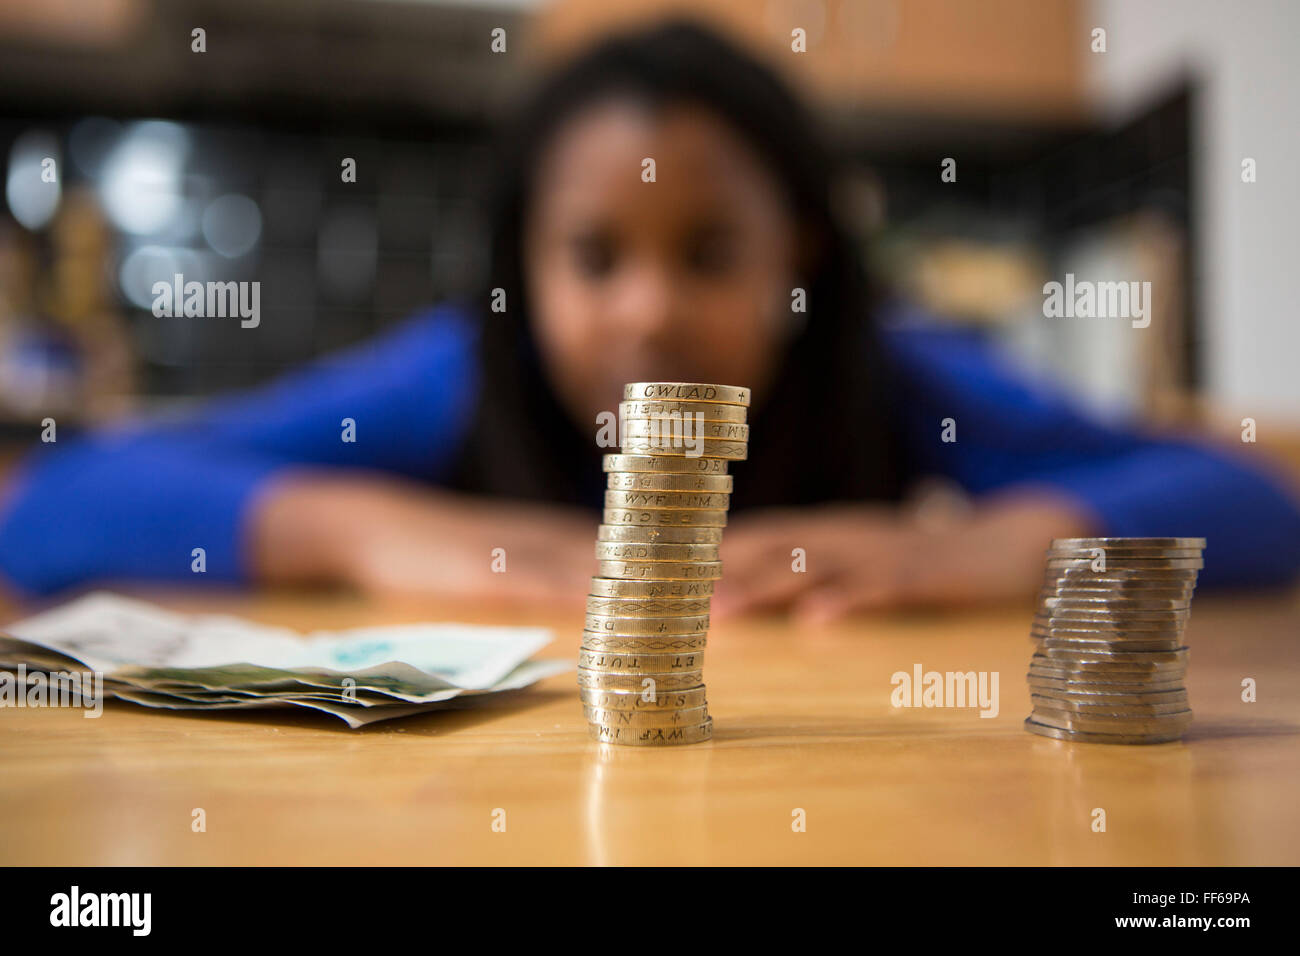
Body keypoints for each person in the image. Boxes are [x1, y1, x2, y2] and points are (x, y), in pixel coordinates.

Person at [1, 22, 1297, 621]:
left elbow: (1249, 499)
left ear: (800, 263)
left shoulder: (896, 378)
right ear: (523, 269)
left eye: (712, 253)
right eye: (592, 255)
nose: (651, 311)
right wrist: (362, 528)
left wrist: (1009, 546)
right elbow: (59, 502)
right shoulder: (457, 380)